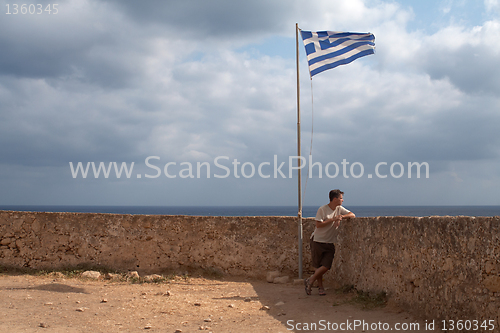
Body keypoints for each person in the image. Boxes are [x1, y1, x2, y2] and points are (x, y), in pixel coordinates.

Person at [305, 189, 355, 296]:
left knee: (326, 265)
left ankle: (310, 280)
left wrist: (341, 216)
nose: (343, 200)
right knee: (318, 266)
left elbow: (352, 215)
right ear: (335, 199)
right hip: (317, 240)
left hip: (329, 242)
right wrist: (333, 219)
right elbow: (318, 224)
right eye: (341, 198)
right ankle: (320, 288)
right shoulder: (322, 209)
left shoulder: (339, 209)